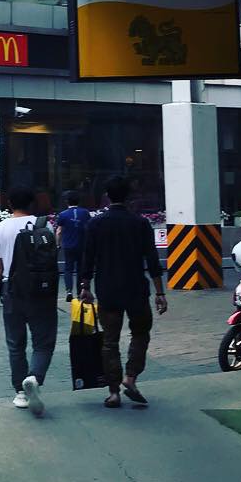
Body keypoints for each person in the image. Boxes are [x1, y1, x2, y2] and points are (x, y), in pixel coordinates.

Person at [80, 175, 167, 409]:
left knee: (110, 341)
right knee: (140, 333)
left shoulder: (95, 224)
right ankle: (131, 377)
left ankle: (113, 393)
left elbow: (87, 259)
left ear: (107, 196)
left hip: (107, 290)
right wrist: (160, 293)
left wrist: (85, 287)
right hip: (136, 289)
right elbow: (152, 260)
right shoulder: (140, 223)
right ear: (129, 196)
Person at [0, 186, 58, 416]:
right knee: (43, 342)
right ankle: (34, 377)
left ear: (9, 205)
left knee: (16, 343)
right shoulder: (44, 225)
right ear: (32, 203)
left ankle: (20, 391)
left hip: (12, 290)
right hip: (41, 291)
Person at [56, 193, 91, 302]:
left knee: (68, 269)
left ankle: (69, 291)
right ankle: (80, 291)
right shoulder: (85, 213)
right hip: (81, 245)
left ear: (67, 202)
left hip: (68, 245)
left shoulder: (63, 214)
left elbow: (59, 231)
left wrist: (58, 244)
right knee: (81, 269)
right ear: (79, 201)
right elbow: (89, 227)